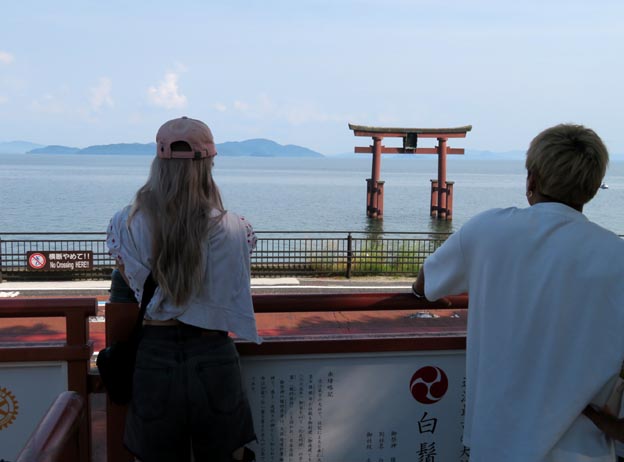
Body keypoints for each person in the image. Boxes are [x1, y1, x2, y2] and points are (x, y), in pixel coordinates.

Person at [412, 124, 624, 461]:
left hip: (495, 447)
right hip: (584, 451)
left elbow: (426, 284)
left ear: (532, 180)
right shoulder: (616, 256)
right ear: (592, 188)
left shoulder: (487, 230)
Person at [106, 116, 259, 462]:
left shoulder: (125, 224)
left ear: (158, 162)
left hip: (154, 353)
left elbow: (131, 282)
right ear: (208, 164)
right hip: (213, 352)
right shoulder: (235, 228)